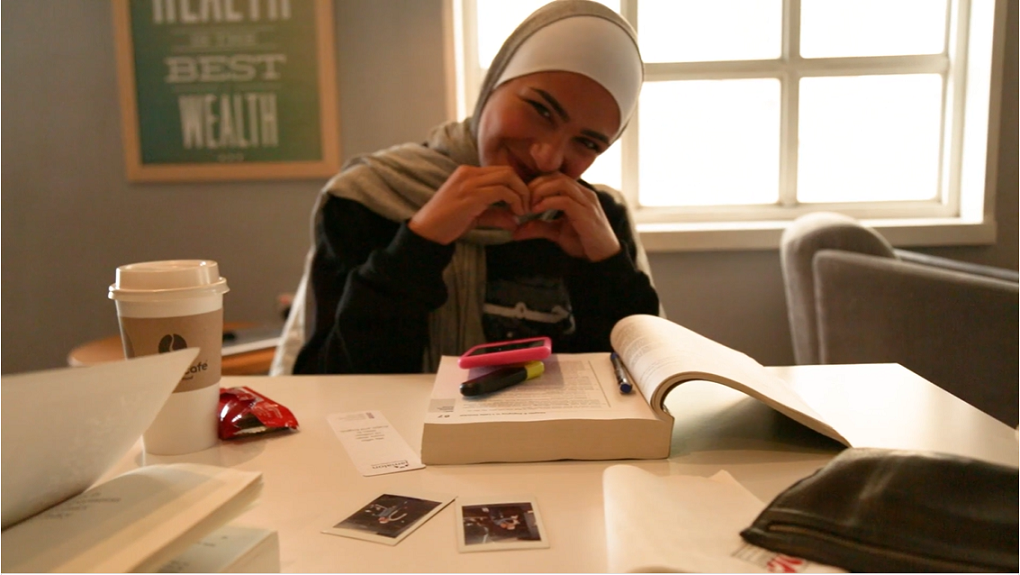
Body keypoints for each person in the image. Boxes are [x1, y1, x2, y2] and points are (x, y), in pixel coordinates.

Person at [272, 0, 660, 375]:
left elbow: (648, 383)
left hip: (561, 443)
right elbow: (326, 384)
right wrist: (420, 242)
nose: (547, 157)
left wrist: (607, 266)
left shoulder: (594, 218)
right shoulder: (370, 197)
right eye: (540, 110)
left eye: (588, 144)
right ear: (492, 83)